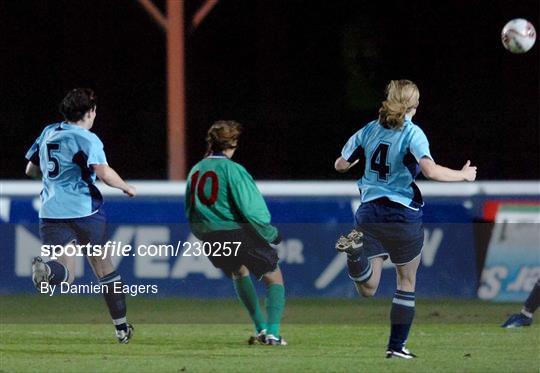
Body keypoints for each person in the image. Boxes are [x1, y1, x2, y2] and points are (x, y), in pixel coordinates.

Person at [334, 80, 477, 359]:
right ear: (415, 105)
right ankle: (396, 347)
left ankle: (354, 255)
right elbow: (431, 171)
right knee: (406, 281)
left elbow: (340, 163)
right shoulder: (413, 133)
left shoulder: (369, 129)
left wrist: (349, 163)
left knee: (368, 288)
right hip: (402, 215)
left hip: (370, 212)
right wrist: (463, 175)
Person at [25, 88, 137, 343]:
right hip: (85, 212)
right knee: (103, 267)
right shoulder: (88, 139)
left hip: (51, 212)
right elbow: (105, 173)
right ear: (89, 112)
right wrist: (126, 187)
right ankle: (121, 328)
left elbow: (31, 169)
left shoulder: (49, 131)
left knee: (66, 274)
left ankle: (46, 269)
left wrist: (56, 181)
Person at [185, 120, 286, 346]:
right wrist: (271, 233)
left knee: (239, 272)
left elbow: (190, 209)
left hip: (209, 237)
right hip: (235, 233)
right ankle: (272, 333)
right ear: (232, 143)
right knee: (274, 277)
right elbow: (251, 209)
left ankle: (260, 329)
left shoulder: (196, 169)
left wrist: (204, 236)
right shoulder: (233, 169)